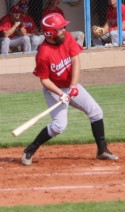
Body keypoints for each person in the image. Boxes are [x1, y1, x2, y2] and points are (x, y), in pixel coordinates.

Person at [20, 13, 118, 166]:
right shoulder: (43, 54)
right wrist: (60, 94)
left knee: (96, 111)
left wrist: (73, 86)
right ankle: (30, 149)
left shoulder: (67, 38)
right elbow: (44, 80)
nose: (64, 30)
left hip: (70, 85)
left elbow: (75, 60)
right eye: (60, 28)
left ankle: (102, 150)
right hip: (54, 89)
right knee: (59, 126)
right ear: (50, 33)